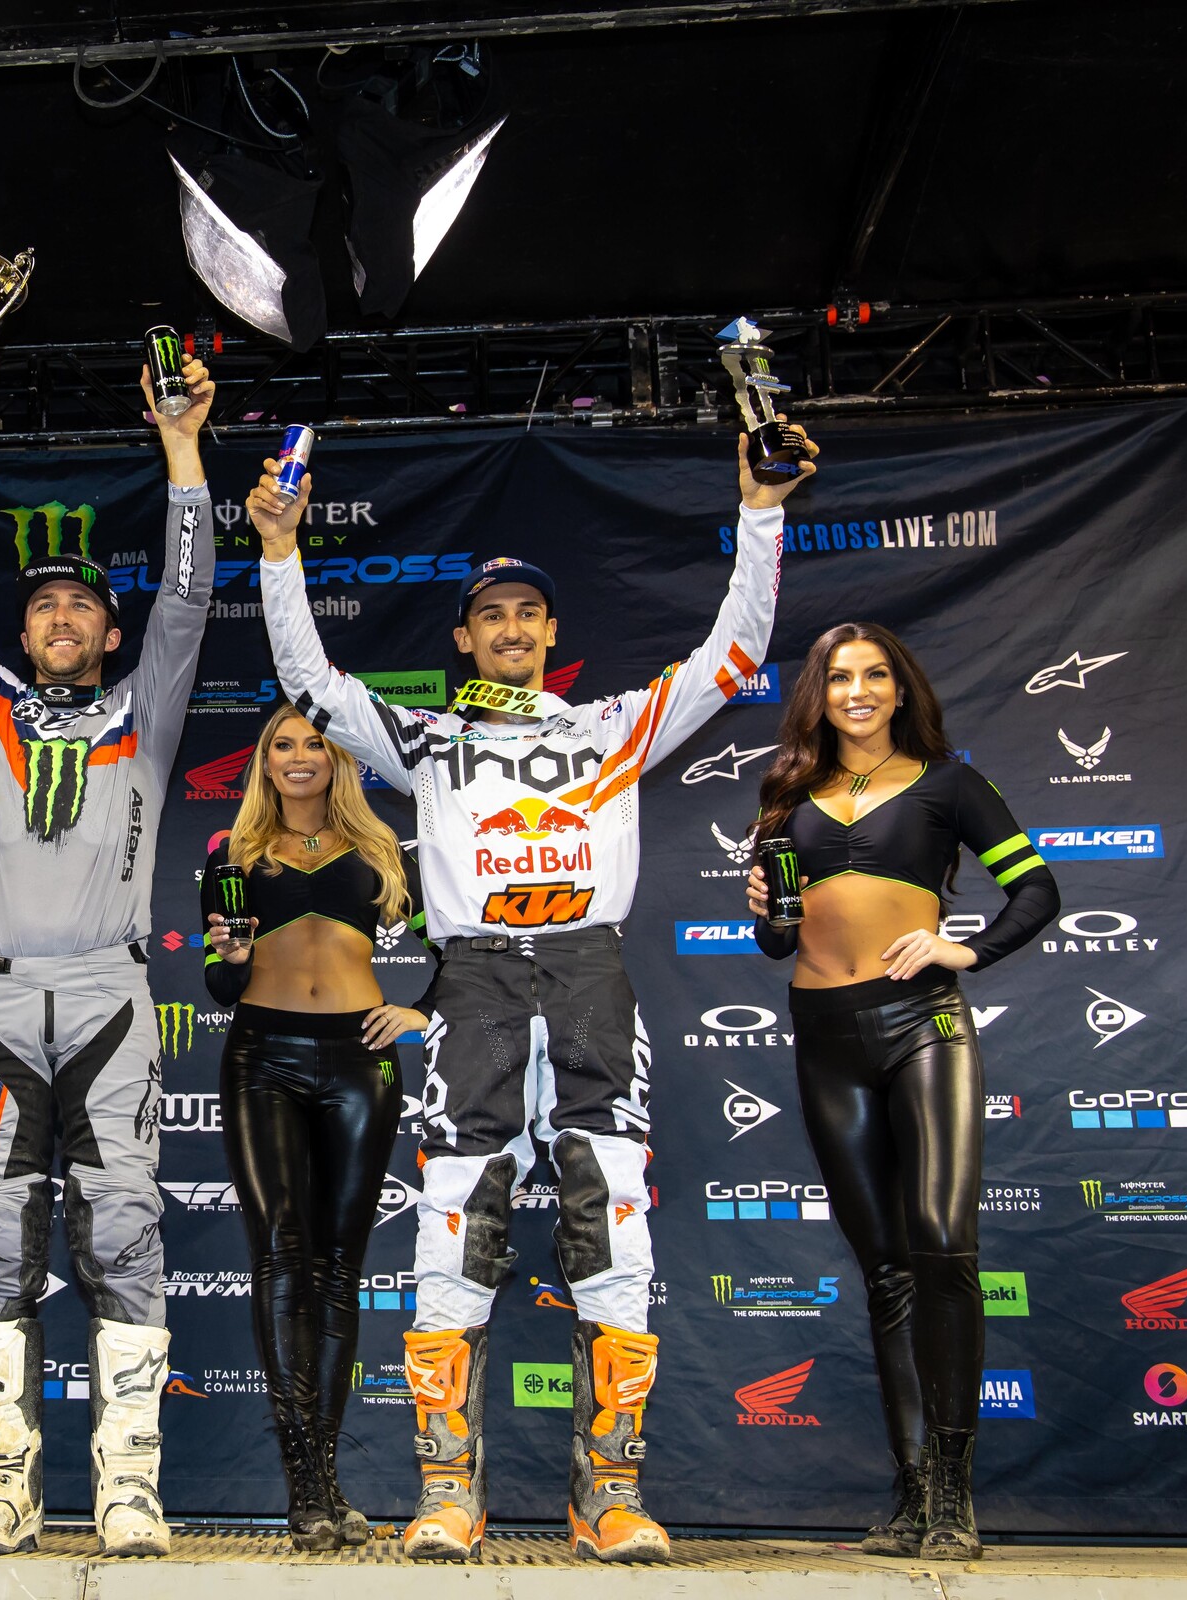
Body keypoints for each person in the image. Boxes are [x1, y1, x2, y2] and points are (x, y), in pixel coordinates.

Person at [253, 423, 819, 1563]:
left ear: (551, 633)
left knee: (616, 1223)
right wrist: (276, 549)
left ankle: (605, 1494)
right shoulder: (429, 736)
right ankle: (449, 1494)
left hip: (590, 975)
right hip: (476, 986)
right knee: (454, 1224)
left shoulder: (613, 727)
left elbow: (731, 651)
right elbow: (310, 679)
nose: (510, 628)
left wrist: (760, 507)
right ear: (463, 637)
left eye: (527, 613)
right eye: (489, 615)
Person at [0, 347, 216, 1557]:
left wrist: (183, 449)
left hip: (105, 995)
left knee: (125, 1230)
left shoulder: (145, 715)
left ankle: (130, 1487)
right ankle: (3, 1488)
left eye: (80, 605)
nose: (56, 618)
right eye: (40, 605)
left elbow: (190, 595)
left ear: (108, 626)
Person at [748, 623, 1056, 1562]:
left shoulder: (948, 783)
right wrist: (763, 915)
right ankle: (912, 1491)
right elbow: (775, 942)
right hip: (824, 1035)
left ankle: (956, 1496)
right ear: (819, 694)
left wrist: (965, 948)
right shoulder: (786, 797)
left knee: (939, 1244)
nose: (858, 690)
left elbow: (1037, 891)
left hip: (924, 1025)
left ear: (900, 687)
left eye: (875, 674)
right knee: (884, 1267)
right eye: (839, 677)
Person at [199, 706, 438, 1550]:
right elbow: (218, 989)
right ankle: (306, 1481)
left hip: (360, 1061)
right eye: (282, 745)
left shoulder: (384, 853)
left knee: (340, 1269)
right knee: (280, 1255)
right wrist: (227, 960)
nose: (299, 756)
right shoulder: (230, 856)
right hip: (260, 1056)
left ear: (340, 760)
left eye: (314, 744)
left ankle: (326, 1478)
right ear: (263, 763)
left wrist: (421, 1011)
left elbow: (455, 945)